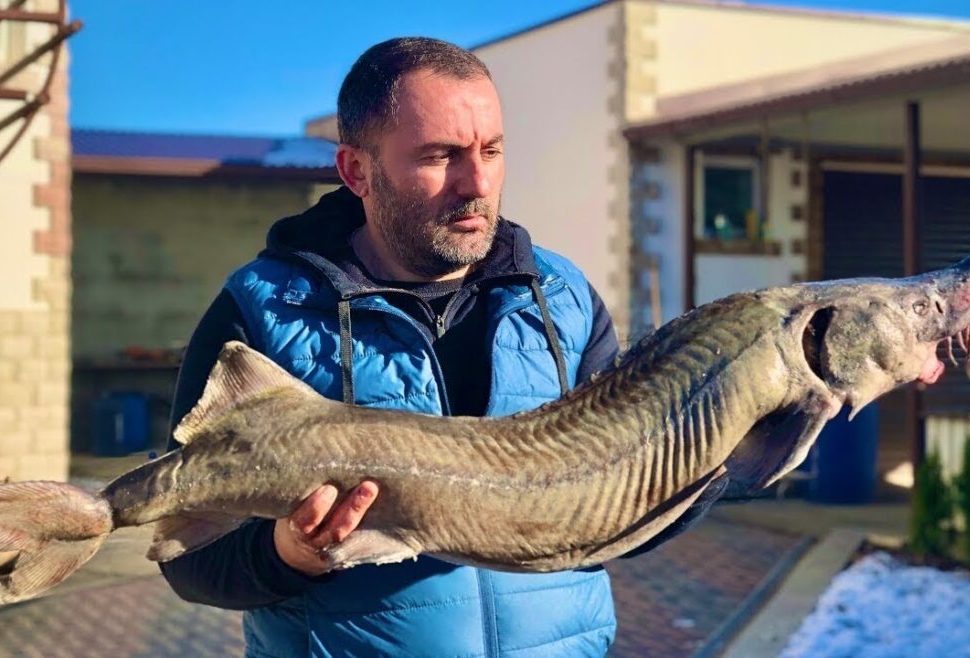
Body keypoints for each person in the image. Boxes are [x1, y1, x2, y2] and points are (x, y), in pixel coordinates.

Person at [161, 36, 711, 658]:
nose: (477, 182)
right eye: (441, 155)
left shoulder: (566, 301)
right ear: (356, 171)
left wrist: (726, 451)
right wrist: (289, 555)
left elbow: (624, 517)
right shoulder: (262, 311)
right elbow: (190, 556)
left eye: (492, 150)